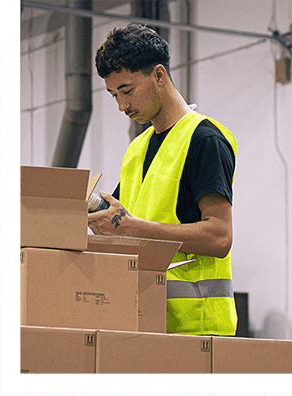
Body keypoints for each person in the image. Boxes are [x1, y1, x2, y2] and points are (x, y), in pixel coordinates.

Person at [88, 24, 238, 336]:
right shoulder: (136, 150)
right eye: (113, 94)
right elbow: (126, 222)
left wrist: (130, 227)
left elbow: (220, 237)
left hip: (196, 332)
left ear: (159, 76)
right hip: (145, 322)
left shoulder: (204, 139)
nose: (122, 106)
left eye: (127, 91)